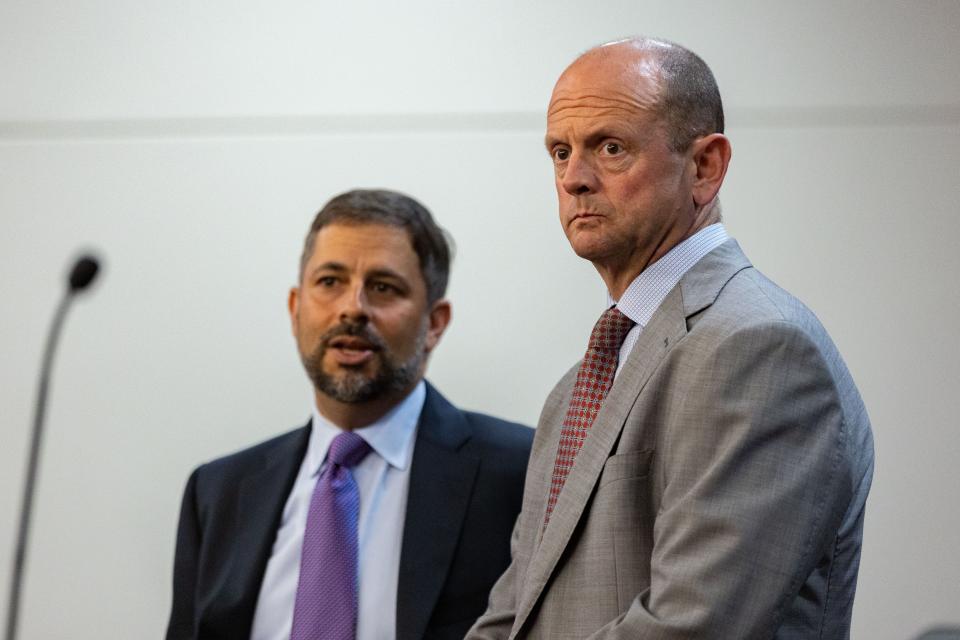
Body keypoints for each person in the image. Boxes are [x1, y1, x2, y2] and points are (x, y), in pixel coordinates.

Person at [467, 37, 874, 639]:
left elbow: (691, 626)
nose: (574, 179)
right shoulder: (575, 388)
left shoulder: (761, 348)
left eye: (610, 148)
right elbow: (512, 615)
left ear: (704, 166)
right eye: (559, 152)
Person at [165, 189, 533, 640]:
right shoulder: (218, 491)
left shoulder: (521, 471)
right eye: (329, 282)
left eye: (383, 287)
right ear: (295, 307)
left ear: (435, 322)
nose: (352, 308)